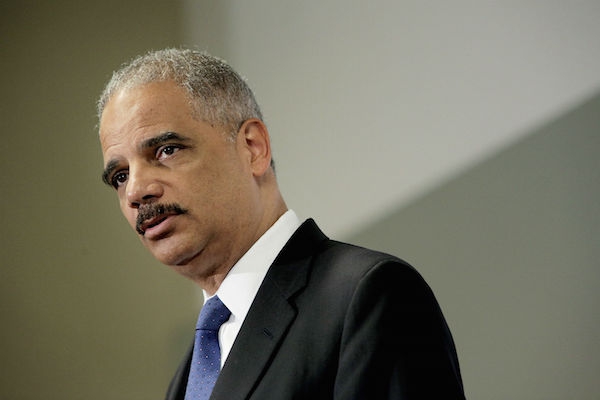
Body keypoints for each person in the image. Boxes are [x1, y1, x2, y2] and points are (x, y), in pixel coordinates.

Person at [97, 47, 466, 400]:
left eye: (167, 150)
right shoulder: (189, 373)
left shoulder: (368, 295)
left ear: (252, 147)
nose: (136, 191)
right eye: (119, 176)